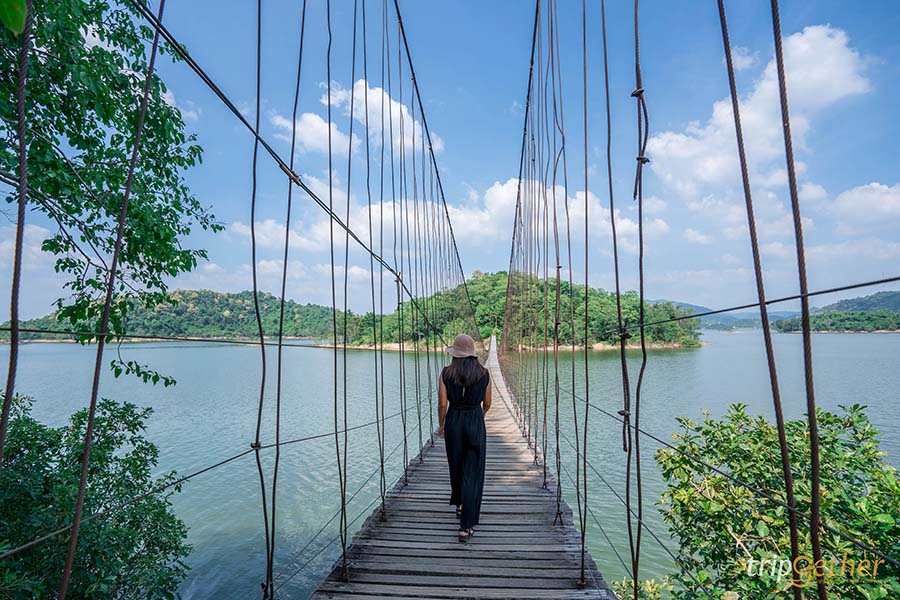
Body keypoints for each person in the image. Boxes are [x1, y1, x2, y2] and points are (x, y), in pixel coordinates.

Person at [437, 333, 492, 543]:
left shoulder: (446, 373)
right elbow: (488, 403)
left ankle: (460, 505)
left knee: (456, 465)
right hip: (475, 421)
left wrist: (442, 424)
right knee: (472, 472)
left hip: (453, 422)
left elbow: (442, 404)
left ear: (454, 354)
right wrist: (479, 417)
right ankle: (465, 527)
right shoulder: (484, 374)